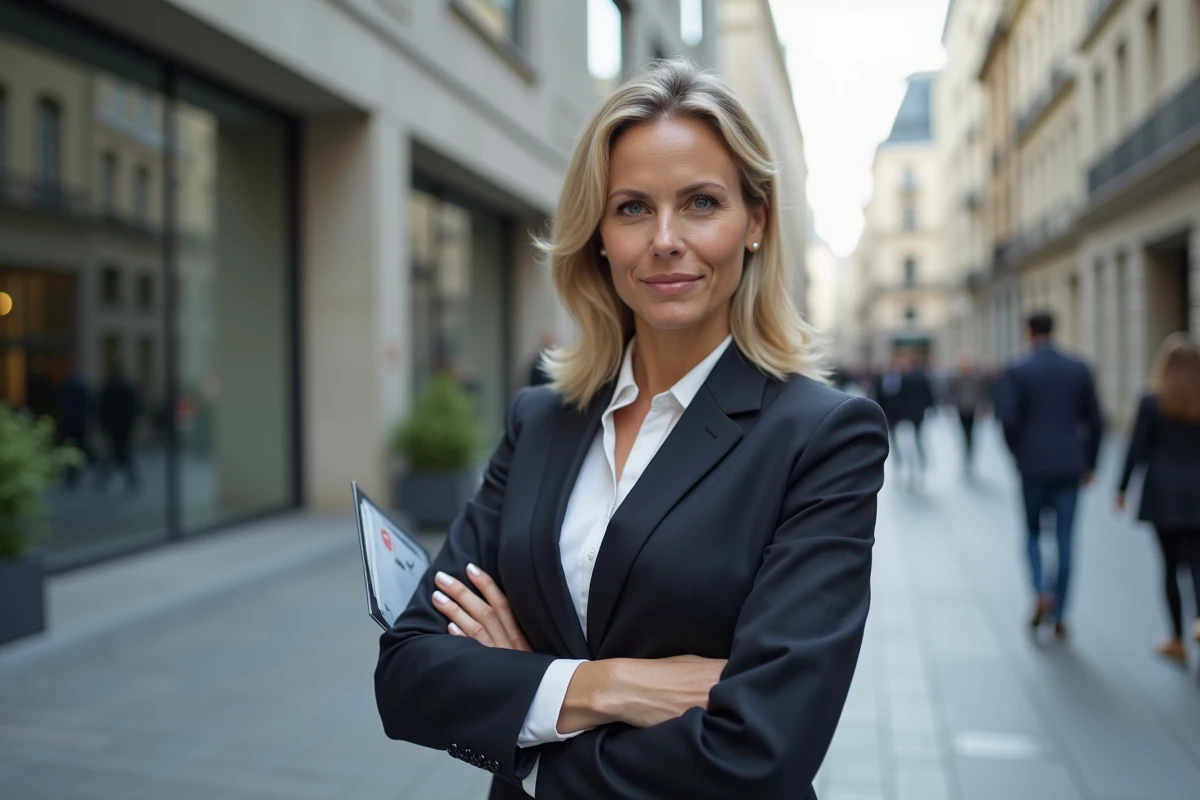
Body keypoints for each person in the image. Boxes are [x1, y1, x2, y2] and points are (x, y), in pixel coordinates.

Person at [374, 60, 888, 800]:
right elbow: (410, 676)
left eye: (702, 203)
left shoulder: (824, 437)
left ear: (756, 223)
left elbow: (762, 748)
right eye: (633, 208)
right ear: (600, 236)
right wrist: (610, 687)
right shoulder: (541, 420)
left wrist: (527, 716)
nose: (666, 240)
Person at [997, 311, 1103, 639]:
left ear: (1029, 332)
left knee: (1031, 533)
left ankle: (1041, 589)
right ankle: (1060, 612)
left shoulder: (1018, 369)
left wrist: (1018, 454)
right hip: (1070, 464)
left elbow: (1008, 420)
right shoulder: (1078, 368)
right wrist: (1090, 463)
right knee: (1066, 538)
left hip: (1033, 464)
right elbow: (1096, 422)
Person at [1116, 334, 1200, 665]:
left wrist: (1121, 489)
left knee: (1169, 568)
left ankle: (1177, 639)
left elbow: (1136, 449)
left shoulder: (1152, 401)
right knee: (1198, 564)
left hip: (1162, 492)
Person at [872, 350, 934, 484]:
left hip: (913, 414)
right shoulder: (890, 377)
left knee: (916, 439)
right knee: (896, 440)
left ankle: (919, 463)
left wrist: (928, 408)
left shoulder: (917, 377)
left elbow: (927, 394)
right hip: (895, 415)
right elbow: (881, 395)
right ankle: (899, 464)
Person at [97, 361, 141, 494]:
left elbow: (102, 408)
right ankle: (129, 479)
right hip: (122, 427)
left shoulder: (111, 387)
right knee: (121, 454)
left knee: (117, 454)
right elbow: (136, 407)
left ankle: (106, 479)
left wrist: (105, 425)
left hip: (116, 427)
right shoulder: (125, 387)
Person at [946, 352, 990, 477]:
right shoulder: (956, 378)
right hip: (961, 409)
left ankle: (969, 454)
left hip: (972, 409)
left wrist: (983, 407)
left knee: (971, 434)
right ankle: (966, 453)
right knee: (964, 433)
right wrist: (951, 407)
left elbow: (982, 393)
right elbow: (951, 393)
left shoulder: (977, 378)